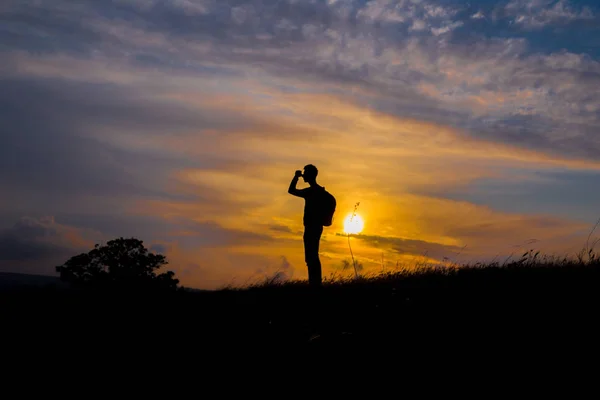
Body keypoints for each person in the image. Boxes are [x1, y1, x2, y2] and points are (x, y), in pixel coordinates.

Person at [288, 164, 327, 286]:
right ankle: (316, 283)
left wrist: (296, 177)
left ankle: (314, 284)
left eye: (305, 173)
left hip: (311, 227)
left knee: (311, 257)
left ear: (310, 175)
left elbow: (291, 190)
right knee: (313, 256)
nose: (304, 175)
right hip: (317, 227)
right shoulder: (320, 191)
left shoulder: (311, 192)